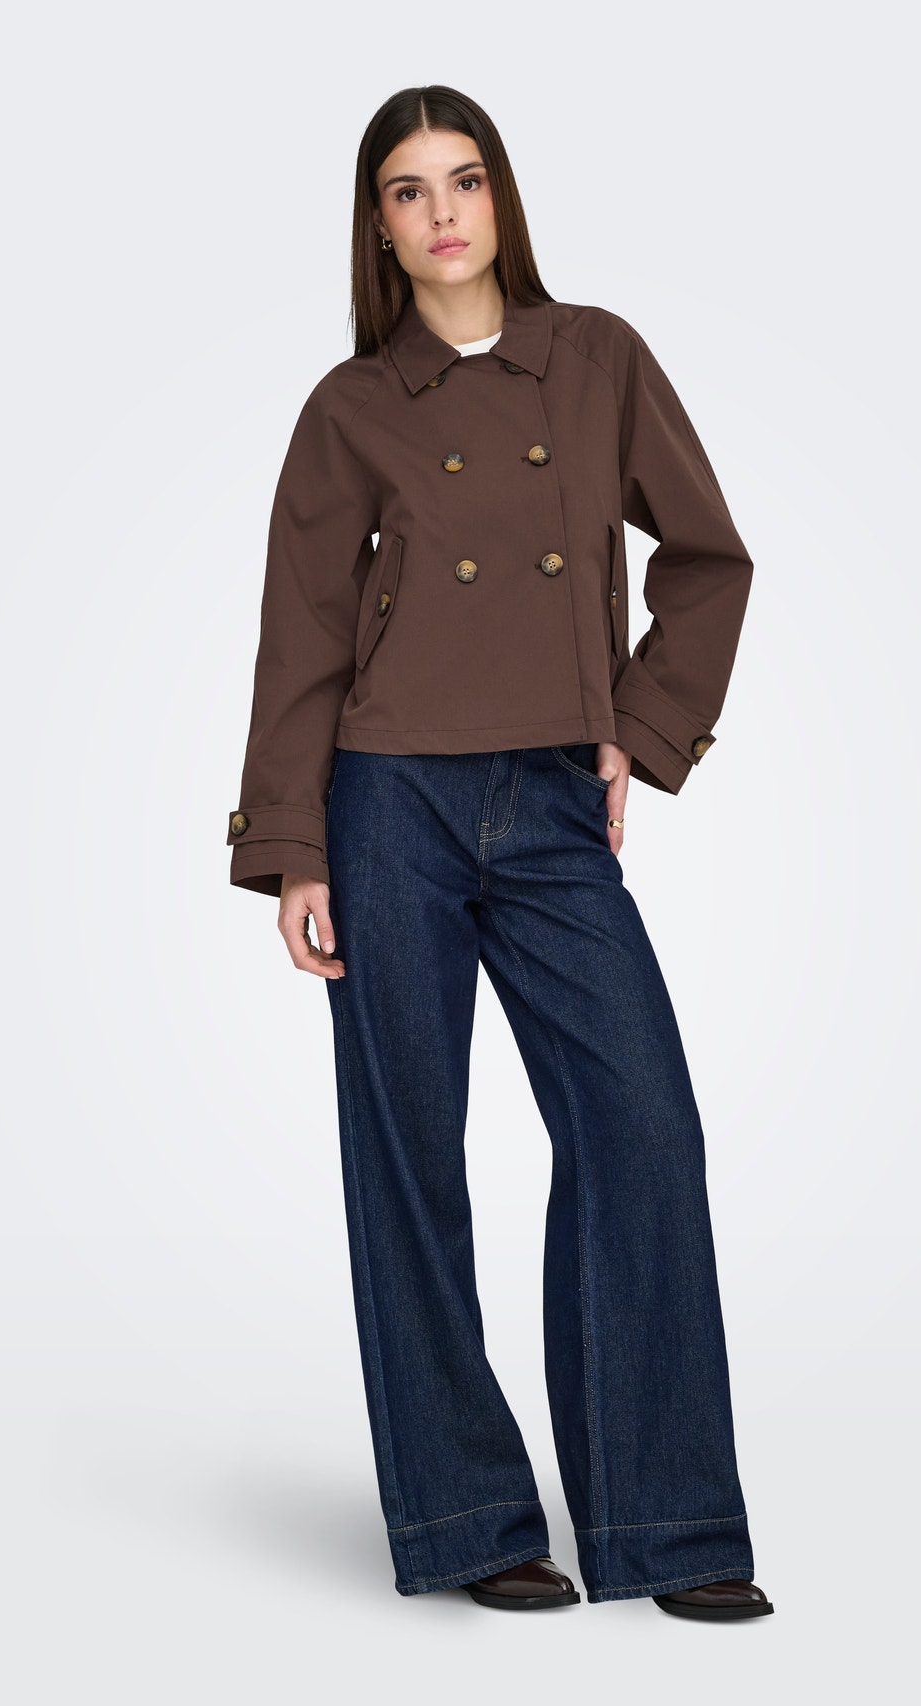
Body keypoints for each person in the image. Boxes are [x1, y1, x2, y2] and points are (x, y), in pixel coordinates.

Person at [227, 84, 772, 1621]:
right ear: (379, 226)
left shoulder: (595, 359)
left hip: (547, 803)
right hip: (385, 802)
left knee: (641, 1123)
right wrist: (296, 846)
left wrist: (637, 731)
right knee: (408, 1157)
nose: (442, 212)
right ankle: (468, 1514)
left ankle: (666, 1520)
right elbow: (303, 636)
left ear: (501, 197)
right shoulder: (351, 407)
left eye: (463, 180)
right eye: (408, 190)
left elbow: (710, 558)